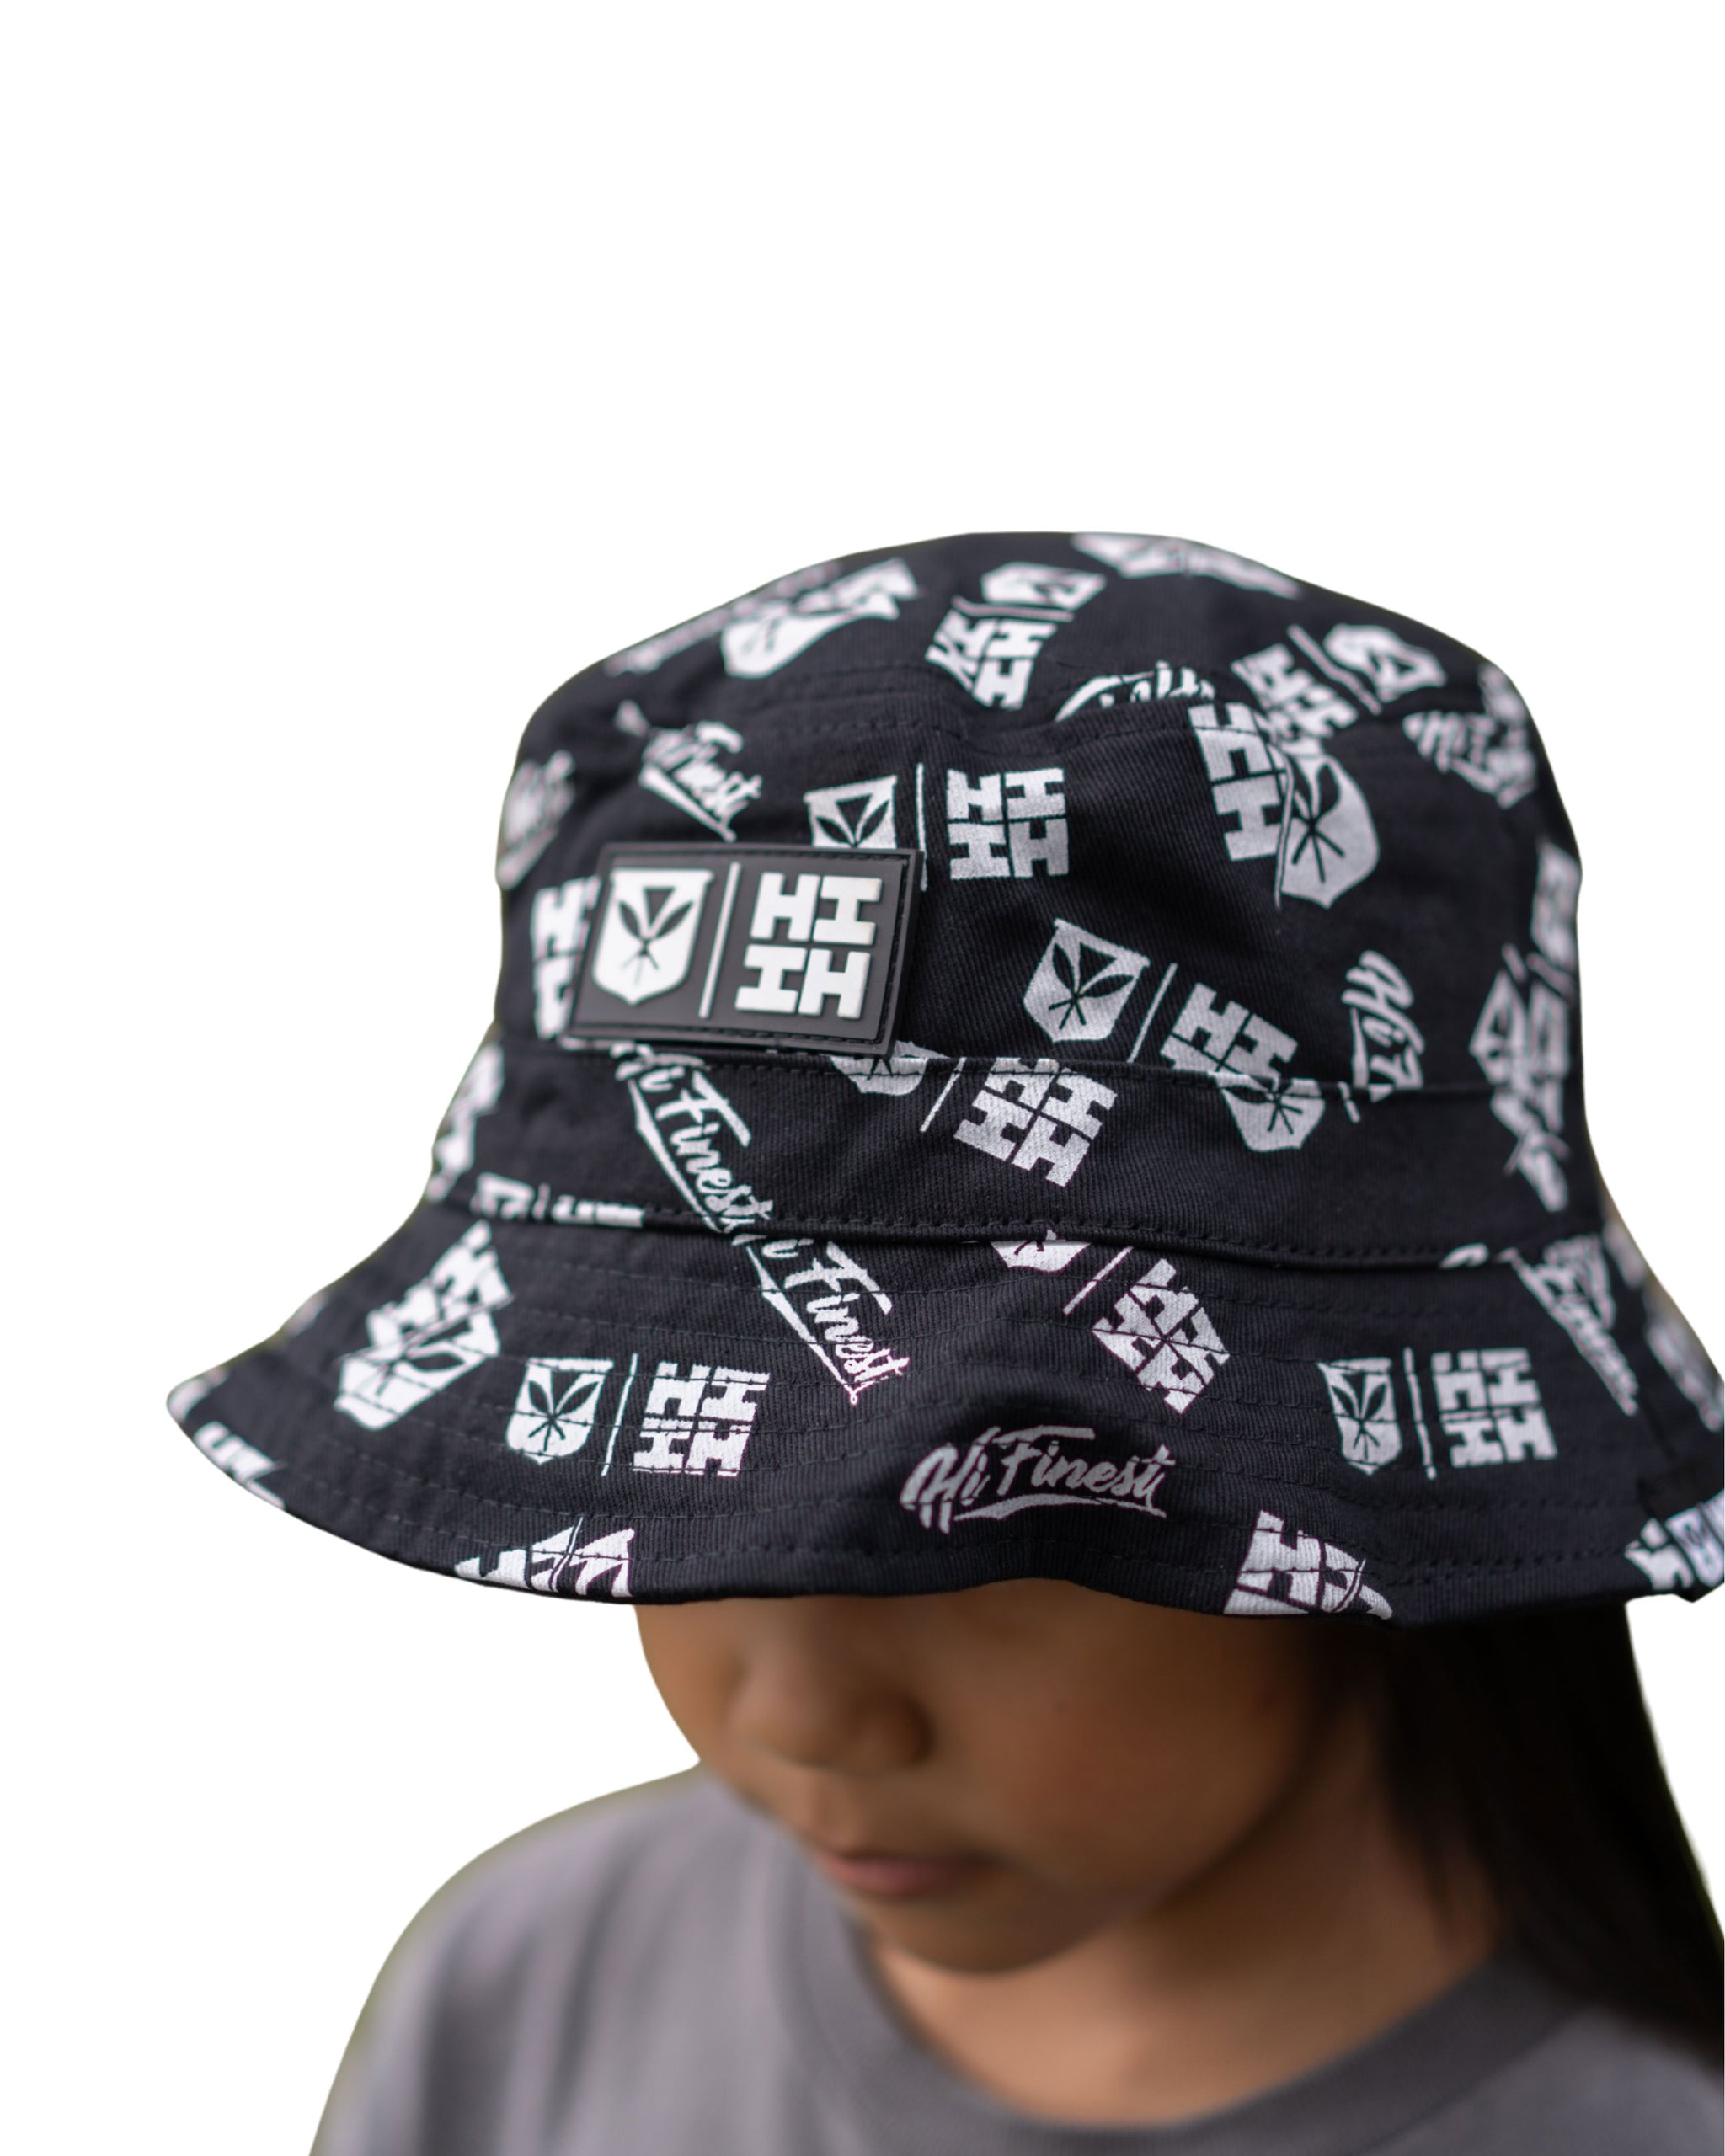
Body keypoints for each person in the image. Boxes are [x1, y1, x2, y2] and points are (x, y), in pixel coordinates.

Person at [169, 532, 1723, 2152]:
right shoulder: (529, 1988)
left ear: (1400, 1489)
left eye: (974, 1524)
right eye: (688, 1503)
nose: (802, 1717)